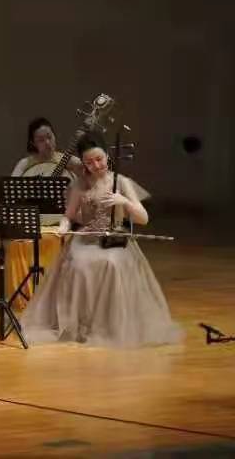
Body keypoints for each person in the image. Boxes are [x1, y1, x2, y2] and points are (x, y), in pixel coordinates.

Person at [20, 132, 184, 347]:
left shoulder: (120, 182)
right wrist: (63, 227)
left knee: (111, 263)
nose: (95, 166)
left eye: (99, 159)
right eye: (89, 162)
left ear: (107, 156)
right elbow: (69, 216)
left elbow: (143, 218)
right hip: (86, 238)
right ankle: (81, 324)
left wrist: (124, 201)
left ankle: (110, 324)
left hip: (114, 239)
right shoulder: (80, 185)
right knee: (78, 263)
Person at [8, 118, 82, 310]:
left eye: (49, 137)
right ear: (32, 143)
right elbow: (11, 192)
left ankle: (57, 297)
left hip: (60, 224)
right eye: (41, 140)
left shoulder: (69, 161)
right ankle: (25, 299)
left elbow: (92, 176)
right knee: (17, 245)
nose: (47, 143)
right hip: (32, 224)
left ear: (55, 136)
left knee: (54, 239)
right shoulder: (25, 164)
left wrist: (80, 167)